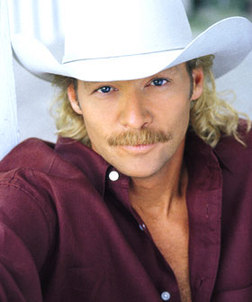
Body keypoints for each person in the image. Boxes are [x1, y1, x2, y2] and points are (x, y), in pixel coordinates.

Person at [1, 0, 252, 301]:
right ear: (75, 99)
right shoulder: (38, 193)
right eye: (105, 89)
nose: (135, 117)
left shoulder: (244, 161)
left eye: (158, 82)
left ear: (195, 82)